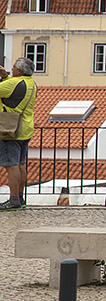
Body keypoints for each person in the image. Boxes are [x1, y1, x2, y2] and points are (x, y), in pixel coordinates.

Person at [0, 57, 38, 211]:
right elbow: (13, 90)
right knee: (21, 164)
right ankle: (20, 197)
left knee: (12, 165)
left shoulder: (13, 83)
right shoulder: (31, 84)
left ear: (20, 71)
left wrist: (4, 78)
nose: (12, 69)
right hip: (25, 128)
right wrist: (5, 77)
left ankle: (13, 199)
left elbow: (7, 88)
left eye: (14, 67)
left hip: (11, 129)